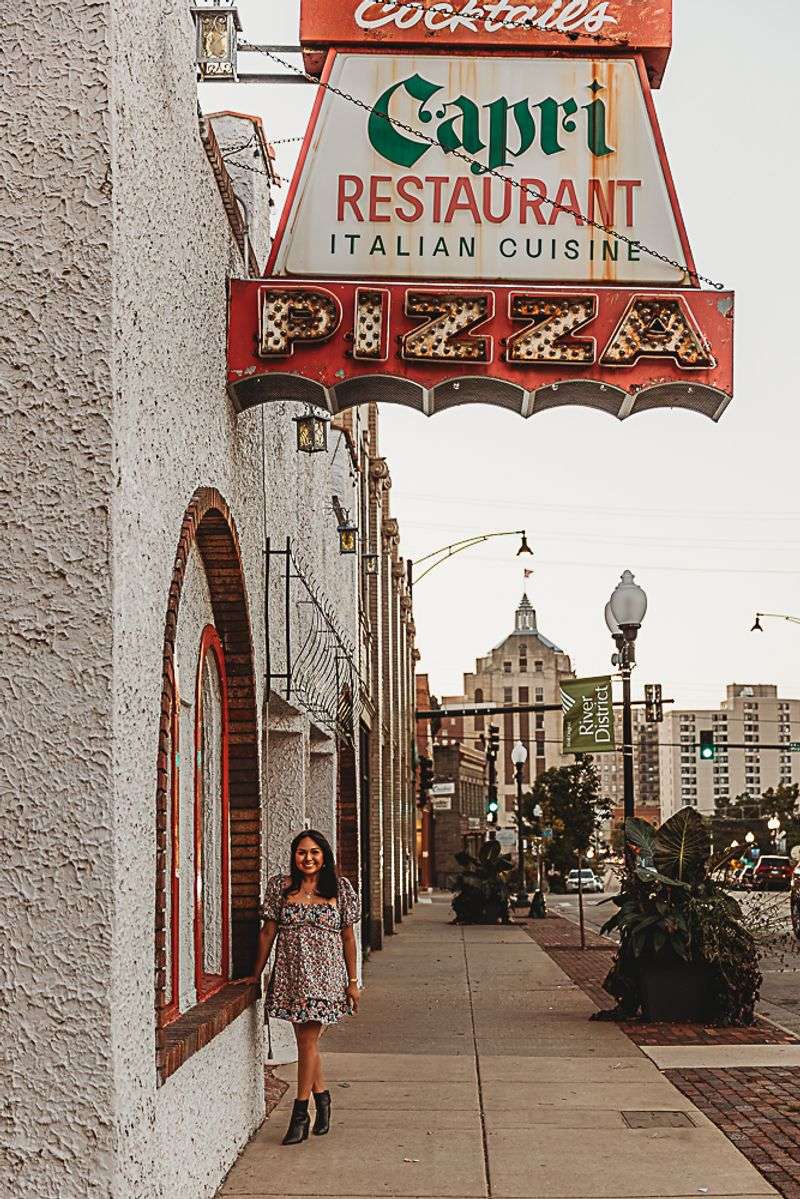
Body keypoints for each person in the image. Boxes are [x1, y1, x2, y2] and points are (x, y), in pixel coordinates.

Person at [251, 829, 361, 1145]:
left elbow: (348, 938)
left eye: (314, 852)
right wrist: (255, 974)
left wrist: (353, 983)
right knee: (306, 1042)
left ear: (324, 856)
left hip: (326, 978)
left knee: (308, 1040)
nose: (308, 858)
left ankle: (300, 1113)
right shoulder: (280, 888)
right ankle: (323, 1098)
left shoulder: (340, 889)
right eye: (302, 852)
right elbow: (267, 933)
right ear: (294, 856)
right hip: (291, 976)